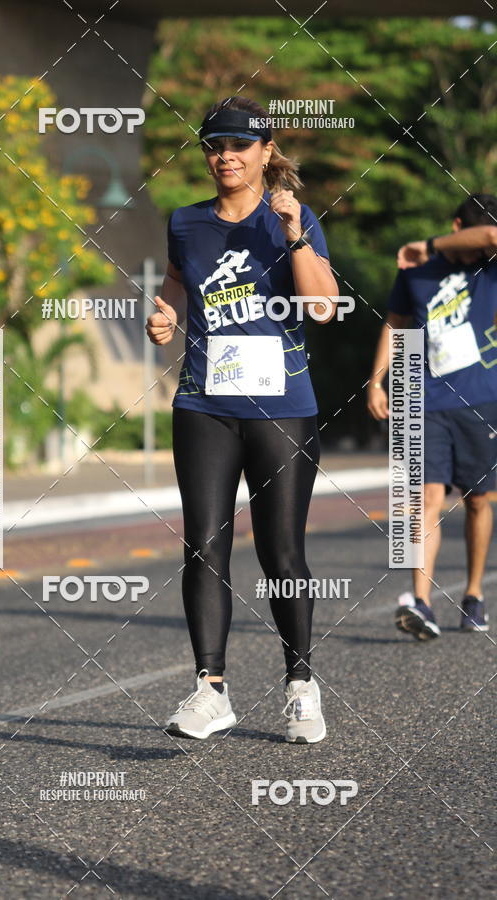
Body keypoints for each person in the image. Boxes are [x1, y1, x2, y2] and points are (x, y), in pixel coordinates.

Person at [145, 96, 338, 742]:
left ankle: (301, 686)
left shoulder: (293, 217)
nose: (224, 156)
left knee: (282, 551)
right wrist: (165, 315)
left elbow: (324, 308)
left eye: (238, 146)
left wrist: (293, 234)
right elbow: (177, 284)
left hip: (282, 409)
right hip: (204, 403)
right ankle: (211, 689)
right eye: (213, 146)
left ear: (264, 153)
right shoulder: (186, 222)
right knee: (203, 542)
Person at [368, 193, 497, 640]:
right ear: (457, 223)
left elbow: (495, 236)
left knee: (479, 500)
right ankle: (421, 602)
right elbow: (396, 322)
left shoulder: (489, 263)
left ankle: (474, 592)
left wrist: (435, 242)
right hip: (418, 395)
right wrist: (377, 379)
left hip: (482, 399)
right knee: (422, 499)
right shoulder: (417, 269)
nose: (480, 251)